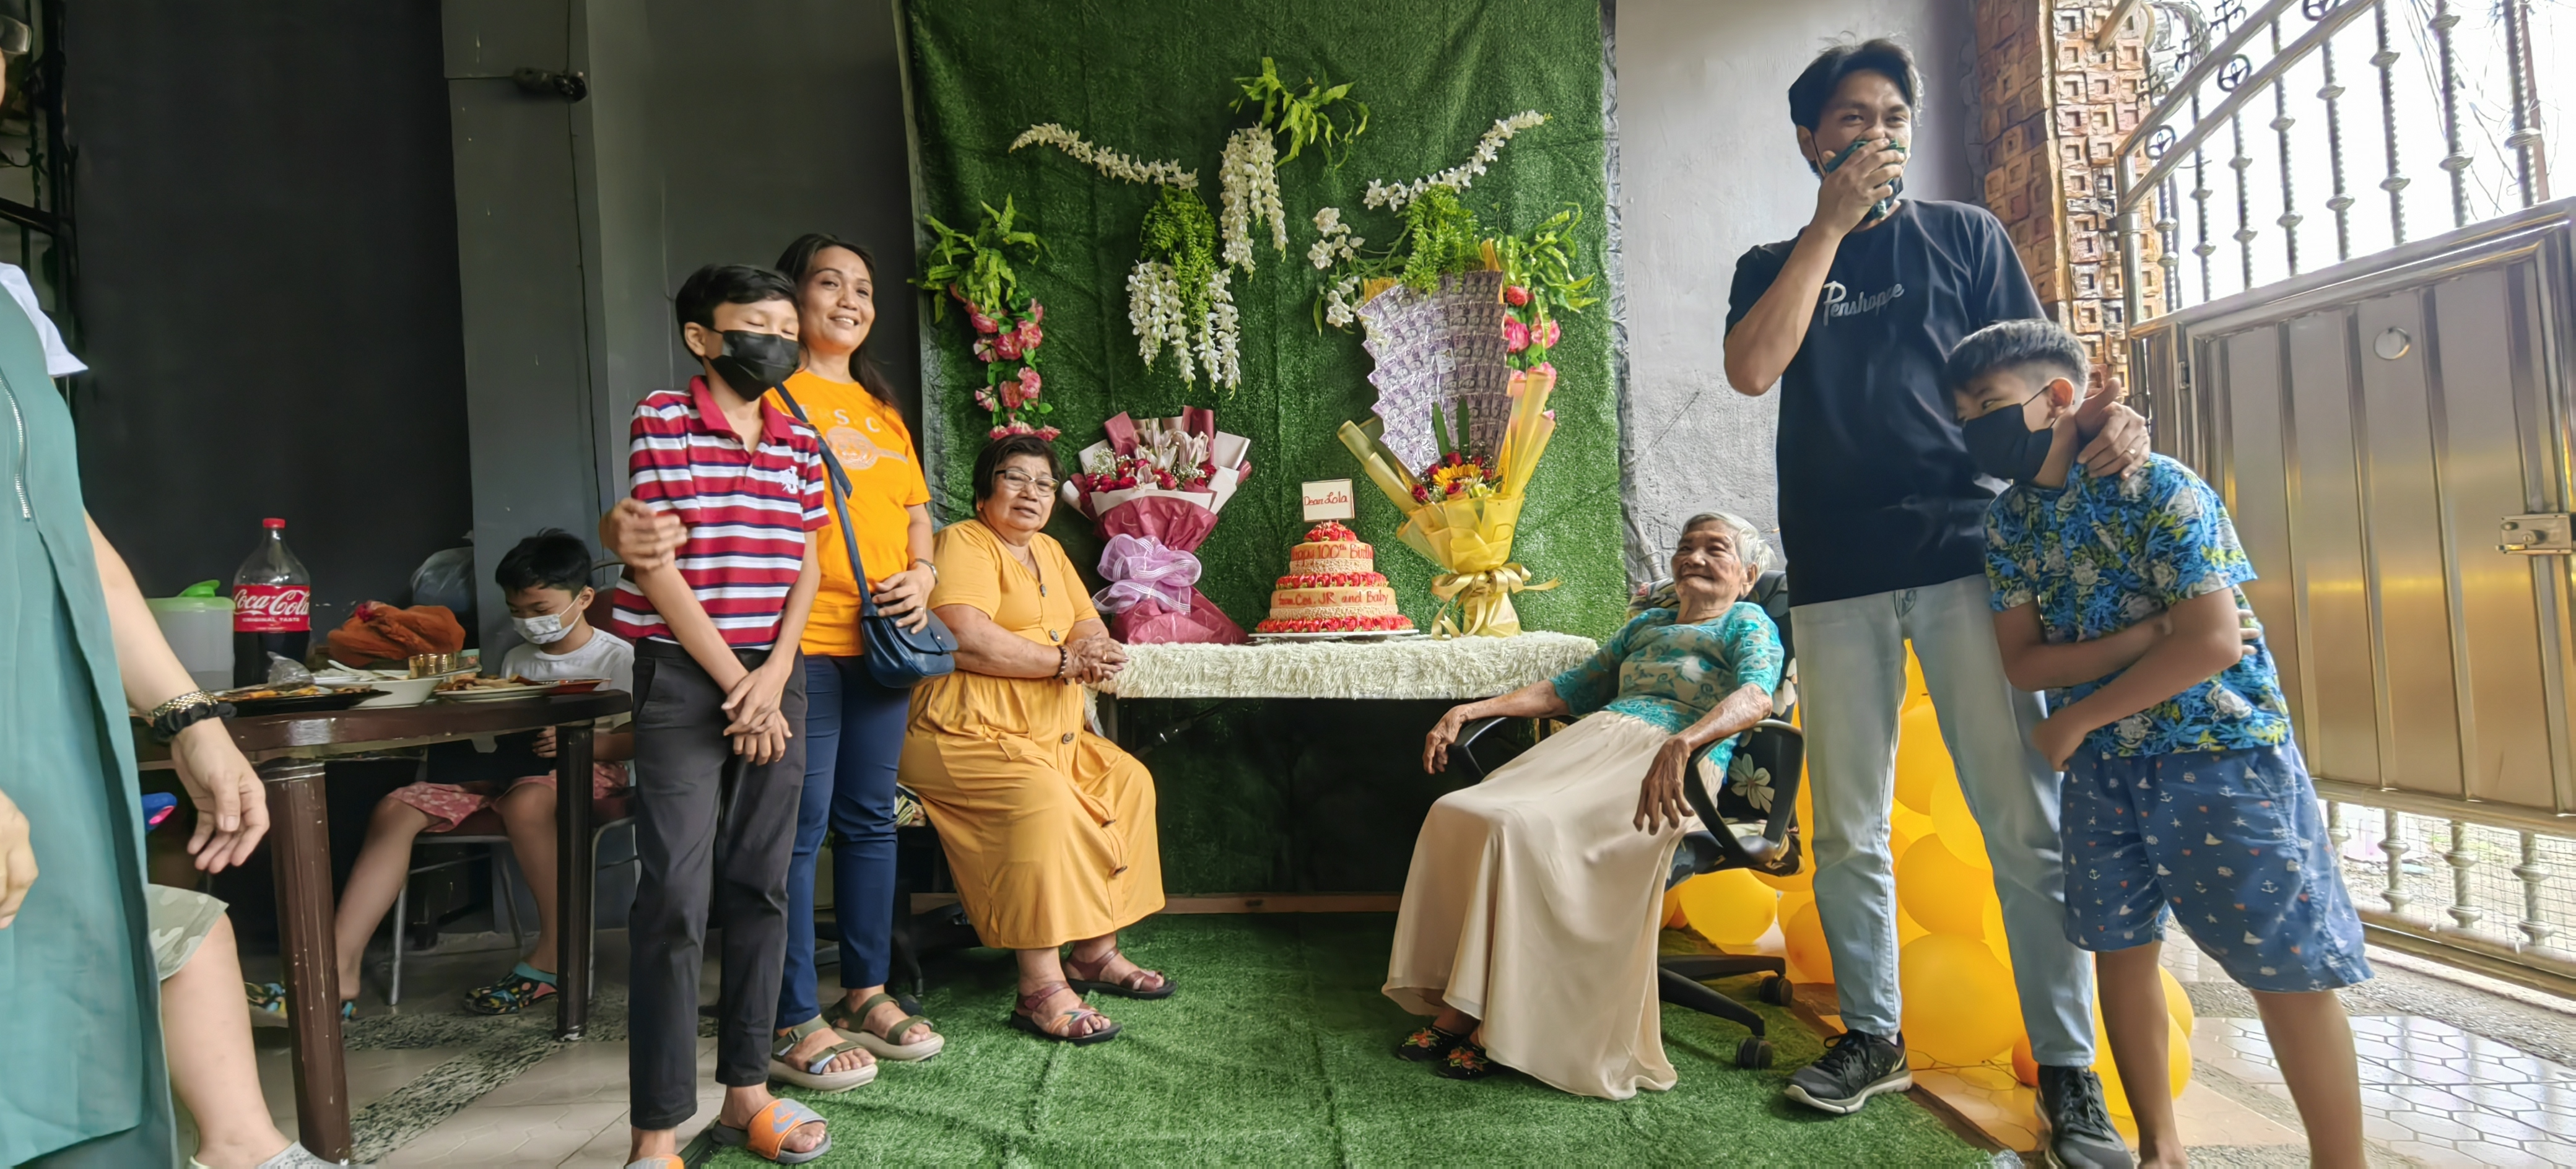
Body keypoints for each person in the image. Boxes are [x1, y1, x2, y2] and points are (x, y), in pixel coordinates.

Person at [1720, 38, 2146, 1163]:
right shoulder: (1772, 262)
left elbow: (2037, 387)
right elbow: (1753, 369)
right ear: (1812, 141)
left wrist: (2103, 422)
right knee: (1845, 828)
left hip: (1970, 558)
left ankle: (2068, 1070)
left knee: (2022, 822)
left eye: (1893, 117)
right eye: (1852, 119)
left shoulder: (1967, 237)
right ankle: (1874, 1037)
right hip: (1835, 571)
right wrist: (1829, 229)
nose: (1879, 134)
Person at [1952, 320, 2369, 1168]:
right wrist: (2144, 641)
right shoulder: (2010, 523)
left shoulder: (2158, 486)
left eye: (1988, 405)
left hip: (2219, 753)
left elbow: (2212, 643)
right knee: (2119, 948)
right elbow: (2024, 659)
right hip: (2103, 772)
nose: (1975, 429)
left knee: (2283, 963)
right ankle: (2160, 1149)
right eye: (1963, 416)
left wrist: (2077, 715)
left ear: (2058, 397)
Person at [0, 259, 332, 1166]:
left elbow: (67, 536)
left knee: (87, 1050)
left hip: (58, 755)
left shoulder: (13, 302)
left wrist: (190, 719)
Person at [1395, 515, 1783, 1098]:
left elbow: (1756, 697)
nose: (1696, 557)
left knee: (1523, 829)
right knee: (1459, 812)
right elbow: (1567, 690)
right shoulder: (1646, 625)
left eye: (1716, 549)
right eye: (1686, 547)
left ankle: (1498, 1022)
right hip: (1591, 745)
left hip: (1671, 766)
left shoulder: (1746, 621)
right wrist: (1470, 709)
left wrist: (1687, 740)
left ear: (1748, 576)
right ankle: (1466, 999)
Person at [609, 264, 832, 1167]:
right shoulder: (663, 417)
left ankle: (748, 1094)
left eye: (786, 329)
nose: (775, 342)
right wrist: (740, 684)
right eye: (755, 326)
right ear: (702, 338)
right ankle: (654, 1134)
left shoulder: (798, 436)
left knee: (762, 886)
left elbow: (808, 562)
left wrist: (773, 676)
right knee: (674, 896)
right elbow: (654, 566)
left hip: (777, 677)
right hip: (683, 676)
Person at [259, 530, 633, 1022]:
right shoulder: (518, 659)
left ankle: (556, 956)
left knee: (526, 800)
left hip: (585, 770)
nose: (529, 621)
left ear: (583, 598)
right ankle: (335, 973)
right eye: (517, 610)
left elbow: (642, 736)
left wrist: (587, 742)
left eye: (540, 609)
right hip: (507, 772)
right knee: (397, 807)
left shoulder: (618, 657)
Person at [902, 433, 1169, 1045]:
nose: (1031, 492)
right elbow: (965, 637)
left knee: (1127, 780)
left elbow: (1085, 623)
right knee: (1041, 799)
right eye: (1015, 478)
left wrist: (1096, 650)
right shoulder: (963, 542)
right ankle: (1039, 986)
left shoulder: (1048, 550)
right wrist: (1063, 663)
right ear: (983, 491)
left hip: (1052, 732)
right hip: (963, 730)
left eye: (1044, 483)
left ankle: (1094, 953)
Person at [760, 233, 942, 1081]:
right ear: (791, 297)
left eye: (863, 289)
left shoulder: (880, 409)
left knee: (871, 820)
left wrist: (924, 573)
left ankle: (864, 993)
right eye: (830, 284)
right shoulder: (768, 396)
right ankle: (792, 1013)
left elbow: (914, 512)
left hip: (882, 644)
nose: (850, 301)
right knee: (797, 830)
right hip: (798, 645)